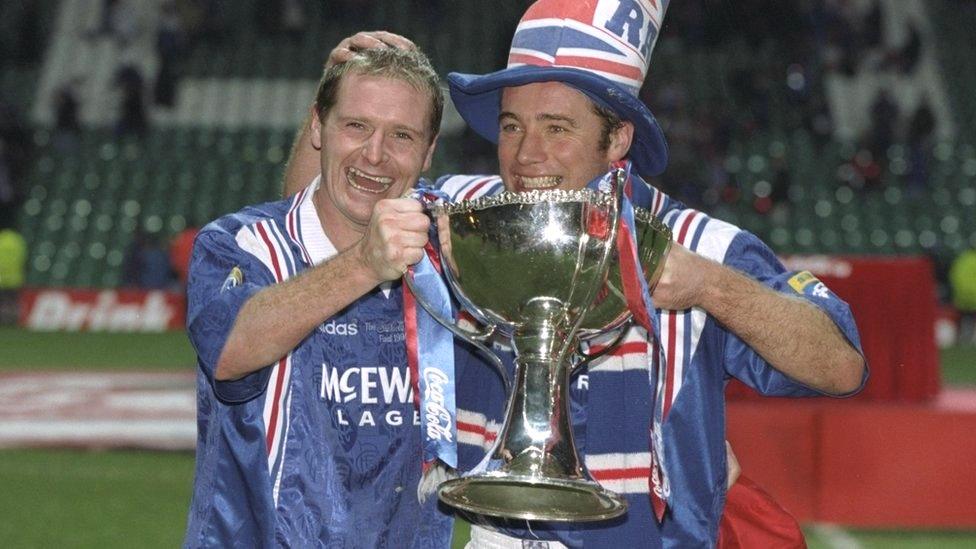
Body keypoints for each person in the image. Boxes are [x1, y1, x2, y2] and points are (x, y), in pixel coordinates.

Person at [281, 3, 865, 547]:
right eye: (512, 126)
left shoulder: (694, 245)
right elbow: (319, 215)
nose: (526, 154)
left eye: (557, 128)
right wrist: (339, 102)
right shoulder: (464, 217)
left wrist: (711, 287)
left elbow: (840, 365)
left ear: (618, 140)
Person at [183, 45, 488, 547]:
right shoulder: (242, 244)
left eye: (402, 136)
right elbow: (230, 349)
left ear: (429, 151)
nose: (375, 154)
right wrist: (365, 263)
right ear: (318, 128)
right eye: (356, 126)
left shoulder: (453, 251)